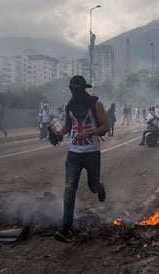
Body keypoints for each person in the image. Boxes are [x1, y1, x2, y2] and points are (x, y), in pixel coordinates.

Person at [53, 75, 110, 243]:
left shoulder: (96, 104)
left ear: (83, 88)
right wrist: (57, 134)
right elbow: (67, 126)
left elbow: (106, 127)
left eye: (77, 89)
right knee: (69, 188)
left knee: (92, 187)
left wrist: (89, 133)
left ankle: (99, 187)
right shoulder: (69, 106)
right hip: (74, 154)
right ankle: (66, 229)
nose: (75, 92)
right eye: (73, 89)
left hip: (92, 153)